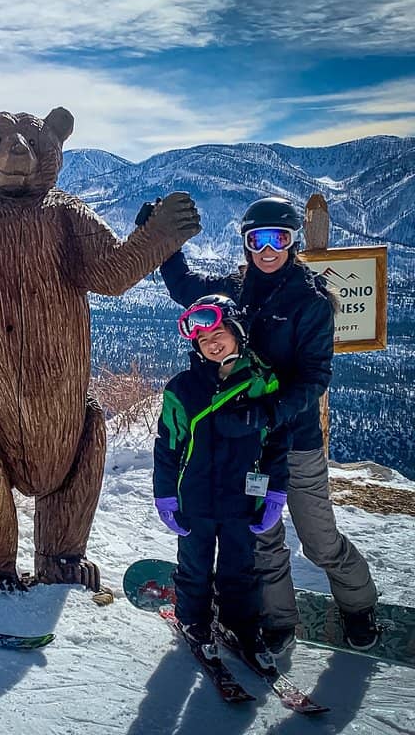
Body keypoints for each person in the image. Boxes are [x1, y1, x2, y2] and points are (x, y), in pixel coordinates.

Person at [158, 196, 380, 654]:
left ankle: (359, 605)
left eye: (278, 238)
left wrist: (269, 413)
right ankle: (278, 619)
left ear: (292, 241)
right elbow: (184, 286)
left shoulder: (310, 301)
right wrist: (162, 238)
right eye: (257, 239)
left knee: (318, 539)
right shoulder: (238, 288)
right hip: (244, 444)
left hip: (293, 438)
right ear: (245, 244)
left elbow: (315, 377)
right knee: (262, 534)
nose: (267, 248)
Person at [154, 294, 288, 669]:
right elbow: (168, 445)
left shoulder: (262, 381)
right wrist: (165, 495)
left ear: (237, 331)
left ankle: (241, 625)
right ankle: (195, 620)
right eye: (203, 339)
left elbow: (277, 441)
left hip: (243, 496)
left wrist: (276, 489)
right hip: (194, 496)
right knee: (194, 564)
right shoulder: (181, 389)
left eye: (219, 333)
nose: (212, 343)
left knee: (239, 566)